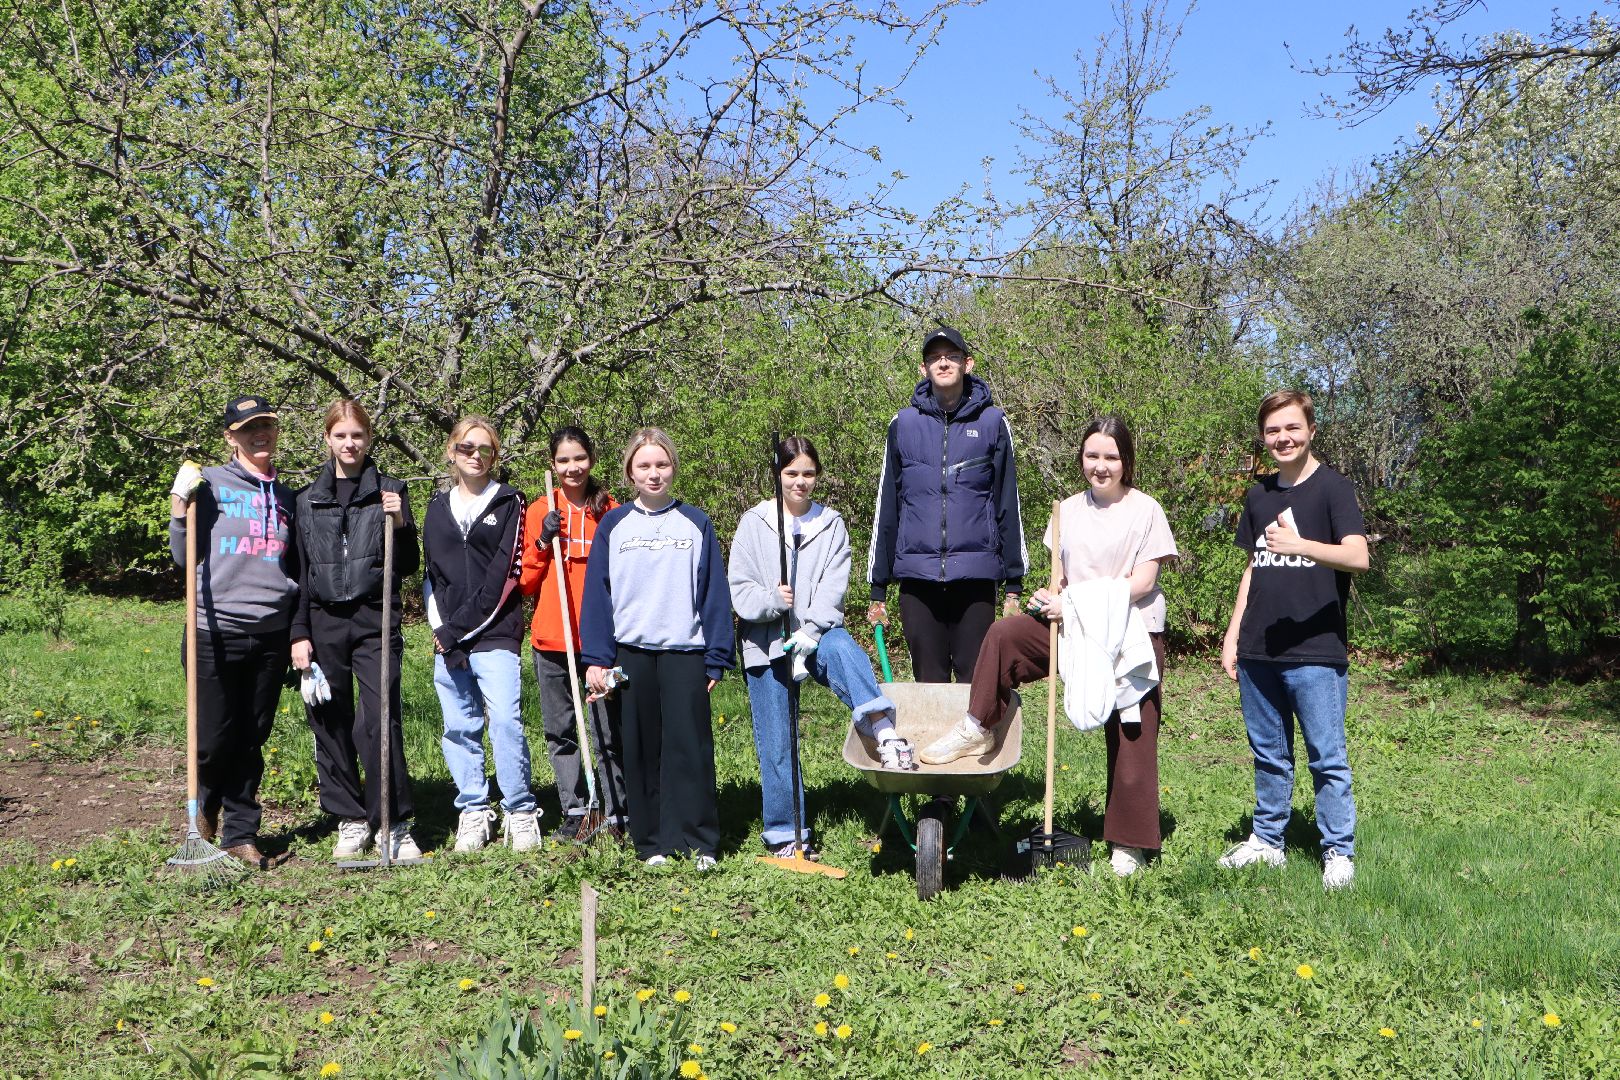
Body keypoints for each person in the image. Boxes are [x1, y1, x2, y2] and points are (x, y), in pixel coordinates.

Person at [920, 416, 1177, 878]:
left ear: (1126, 461)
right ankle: (978, 722)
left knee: (1132, 732)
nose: (1101, 466)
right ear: (1081, 458)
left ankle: (1130, 842)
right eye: (1092, 455)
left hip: (1129, 630)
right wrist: (1048, 597)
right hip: (1073, 624)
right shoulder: (1066, 511)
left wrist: (1074, 601)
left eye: (1111, 457)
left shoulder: (1146, 510)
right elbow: (1058, 578)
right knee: (1005, 635)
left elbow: (1143, 582)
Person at [1218, 390, 1370, 890]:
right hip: (1259, 648)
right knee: (1268, 752)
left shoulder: (1333, 490)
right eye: (1272, 431)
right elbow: (1252, 569)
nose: (1283, 438)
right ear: (1263, 438)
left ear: (1311, 430)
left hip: (1316, 651)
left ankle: (1337, 851)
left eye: (1291, 428)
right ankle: (1268, 842)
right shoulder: (1259, 494)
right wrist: (1233, 632)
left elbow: (1358, 557)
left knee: (1326, 756)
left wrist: (1300, 544)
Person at [729, 436, 905, 860]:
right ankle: (786, 835)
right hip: (766, 641)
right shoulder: (755, 523)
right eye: (791, 473)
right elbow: (741, 589)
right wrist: (773, 601)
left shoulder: (832, 524)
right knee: (776, 743)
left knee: (844, 648)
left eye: (808, 474)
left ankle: (882, 728)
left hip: (816, 635)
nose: (800, 482)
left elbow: (834, 585)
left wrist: (810, 630)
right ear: (777, 474)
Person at [580, 428, 734, 870]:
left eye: (661, 464)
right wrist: (597, 658)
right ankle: (652, 843)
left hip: (685, 652)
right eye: (644, 465)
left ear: (673, 468)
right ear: (630, 471)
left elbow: (714, 595)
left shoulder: (696, 522)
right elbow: (598, 597)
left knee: (690, 748)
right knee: (641, 748)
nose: (654, 473)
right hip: (632, 656)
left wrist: (716, 657)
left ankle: (699, 840)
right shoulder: (614, 526)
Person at [168, 393, 300, 870]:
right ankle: (202, 813)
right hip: (214, 627)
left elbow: (295, 565)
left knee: (251, 736)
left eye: (266, 425)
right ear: (231, 437)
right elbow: (184, 558)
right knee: (211, 738)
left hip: (270, 632)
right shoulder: (211, 485)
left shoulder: (288, 497)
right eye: (248, 429)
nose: (259, 434)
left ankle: (241, 833)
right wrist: (179, 503)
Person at [289, 399, 421, 861]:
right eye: (341, 435)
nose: (350, 443)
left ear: (369, 439)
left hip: (374, 619)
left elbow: (407, 565)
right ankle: (349, 818)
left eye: (358, 435)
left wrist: (401, 523)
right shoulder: (306, 500)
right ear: (328, 438)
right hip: (324, 621)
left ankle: (393, 822)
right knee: (329, 717)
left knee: (378, 717)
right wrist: (299, 632)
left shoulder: (390, 490)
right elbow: (300, 573)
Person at [866, 324, 1027, 682]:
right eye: (934, 358)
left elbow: (1007, 503)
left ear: (967, 364)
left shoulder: (993, 423)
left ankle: (977, 741)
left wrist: (1014, 584)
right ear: (923, 369)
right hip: (917, 581)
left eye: (951, 356)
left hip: (975, 578)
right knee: (929, 682)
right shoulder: (903, 425)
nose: (943, 363)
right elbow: (887, 509)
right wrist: (879, 588)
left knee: (976, 681)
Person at [422, 416, 542, 853]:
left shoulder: (511, 503)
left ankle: (520, 809)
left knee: (506, 722)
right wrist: (442, 629)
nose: (476, 455)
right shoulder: (436, 507)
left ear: (495, 455)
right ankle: (473, 810)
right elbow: (430, 575)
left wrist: (456, 629)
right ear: (452, 452)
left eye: (485, 449)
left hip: (495, 633)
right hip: (448, 638)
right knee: (459, 725)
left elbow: (504, 577)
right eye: (467, 448)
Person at [519, 425, 629, 843]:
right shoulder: (538, 510)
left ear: (592, 460)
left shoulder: (611, 510)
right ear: (552, 464)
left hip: (599, 642)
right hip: (552, 639)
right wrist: (544, 540)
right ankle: (576, 807)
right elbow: (527, 583)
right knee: (561, 728)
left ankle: (616, 808)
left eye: (579, 458)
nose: (572, 467)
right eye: (563, 460)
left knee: (606, 728)